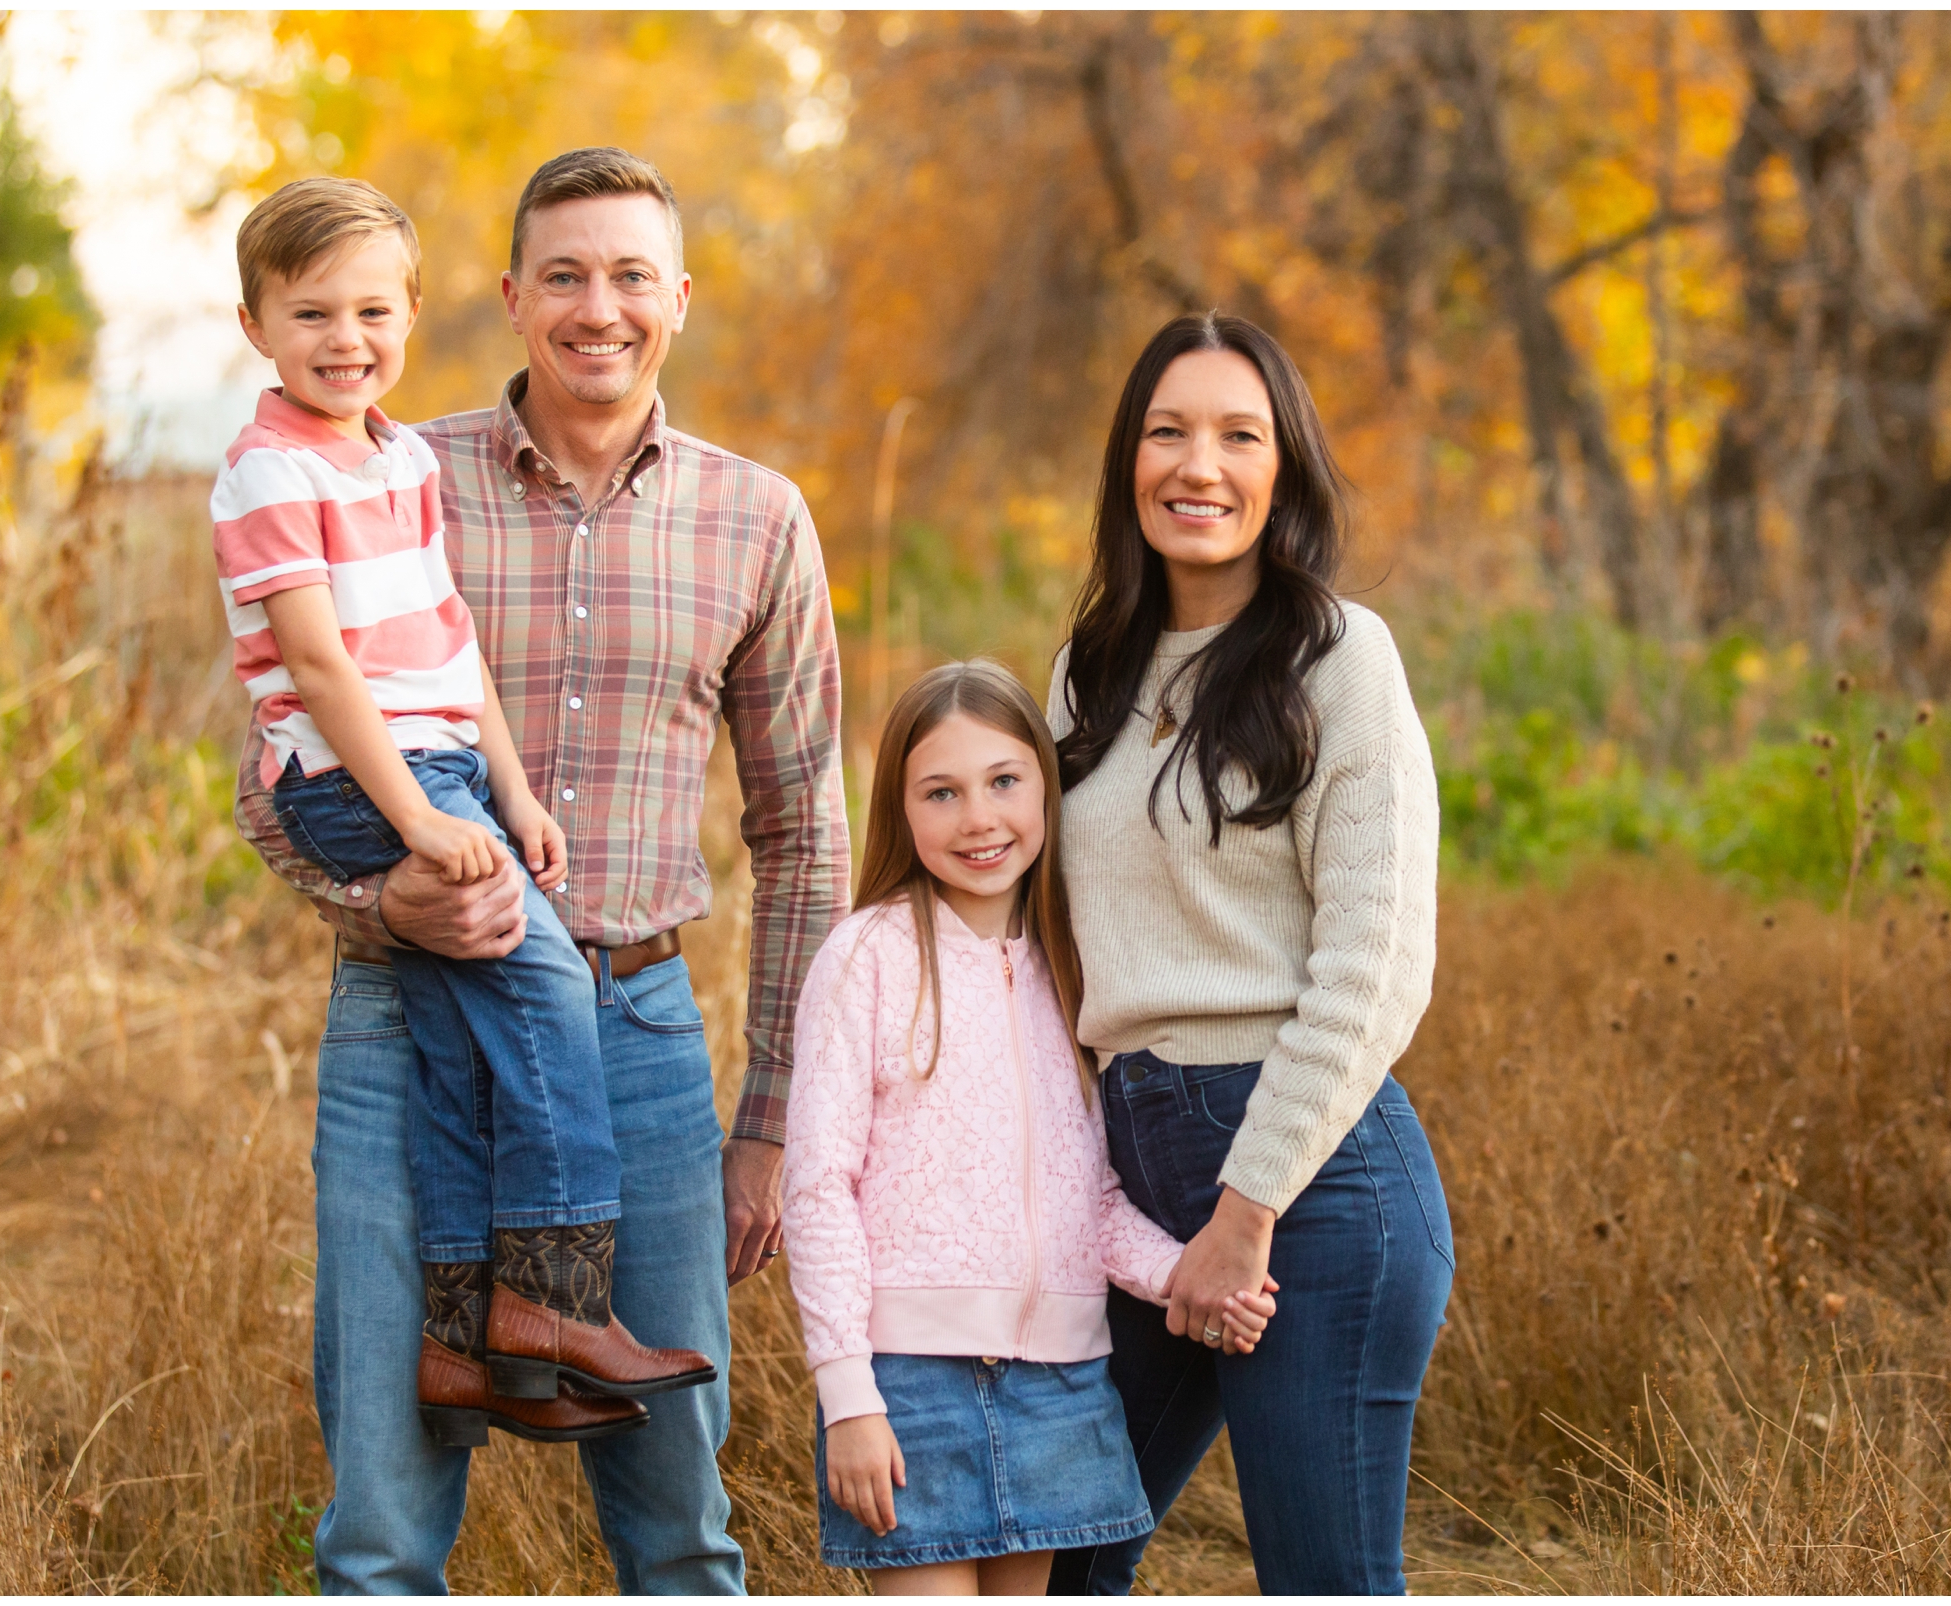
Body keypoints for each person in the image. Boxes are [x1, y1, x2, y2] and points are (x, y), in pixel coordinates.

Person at [233, 148, 848, 1594]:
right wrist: (379, 900)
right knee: (382, 1518)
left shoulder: (758, 518)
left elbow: (807, 831)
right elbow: (272, 766)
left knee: (679, 1518)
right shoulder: (384, 468)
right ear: (508, 298)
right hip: (403, 1018)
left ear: (679, 300)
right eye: (564, 274)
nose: (599, 307)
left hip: (636, 1028)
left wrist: (769, 1120)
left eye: (632, 274)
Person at [213, 176, 715, 1449]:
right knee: (544, 985)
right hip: (355, 777)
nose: (345, 339)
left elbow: (451, 650)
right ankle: (554, 1308)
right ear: (254, 325)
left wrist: (510, 789)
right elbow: (322, 673)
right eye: (310, 313)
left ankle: (455, 1341)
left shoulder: (400, 457)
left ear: (417, 312)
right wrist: (426, 828)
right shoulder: (266, 468)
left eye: (372, 310)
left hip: (440, 765)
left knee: (461, 1053)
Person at [1042, 313, 1452, 1596]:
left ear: (1284, 471)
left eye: (1238, 434)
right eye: (1168, 432)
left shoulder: (1337, 658)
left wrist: (1245, 1208)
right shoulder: (1085, 674)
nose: (1197, 465)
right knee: (1052, 1559)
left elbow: (1374, 965)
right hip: (1136, 1163)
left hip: (1310, 1188)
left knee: (1321, 1579)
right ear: (1128, 461)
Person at [783, 662, 1275, 1596]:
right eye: (942, 792)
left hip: (1058, 1384)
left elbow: (1088, 1201)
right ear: (901, 808)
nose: (979, 819)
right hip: (908, 1387)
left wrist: (1186, 1277)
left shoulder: (1074, 969)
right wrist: (848, 1394)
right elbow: (817, 1190)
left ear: (1047, 792)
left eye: (1005, 782)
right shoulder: (866, 959)